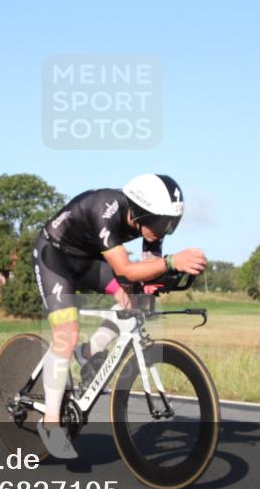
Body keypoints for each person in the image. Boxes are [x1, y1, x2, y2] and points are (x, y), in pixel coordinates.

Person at [32, 174, 207, 458]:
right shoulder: (105, 208)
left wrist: (161, 279)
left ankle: (89, 352)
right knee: (66, 334)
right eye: (161, 223)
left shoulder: (150, 224)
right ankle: (50, 422)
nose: (164, 230)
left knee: (136, 301)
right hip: (54, 257)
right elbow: (125, 269)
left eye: (171, 224)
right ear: (139, 212)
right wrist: (173, 261)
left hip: (88, 261)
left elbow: (150, 268)